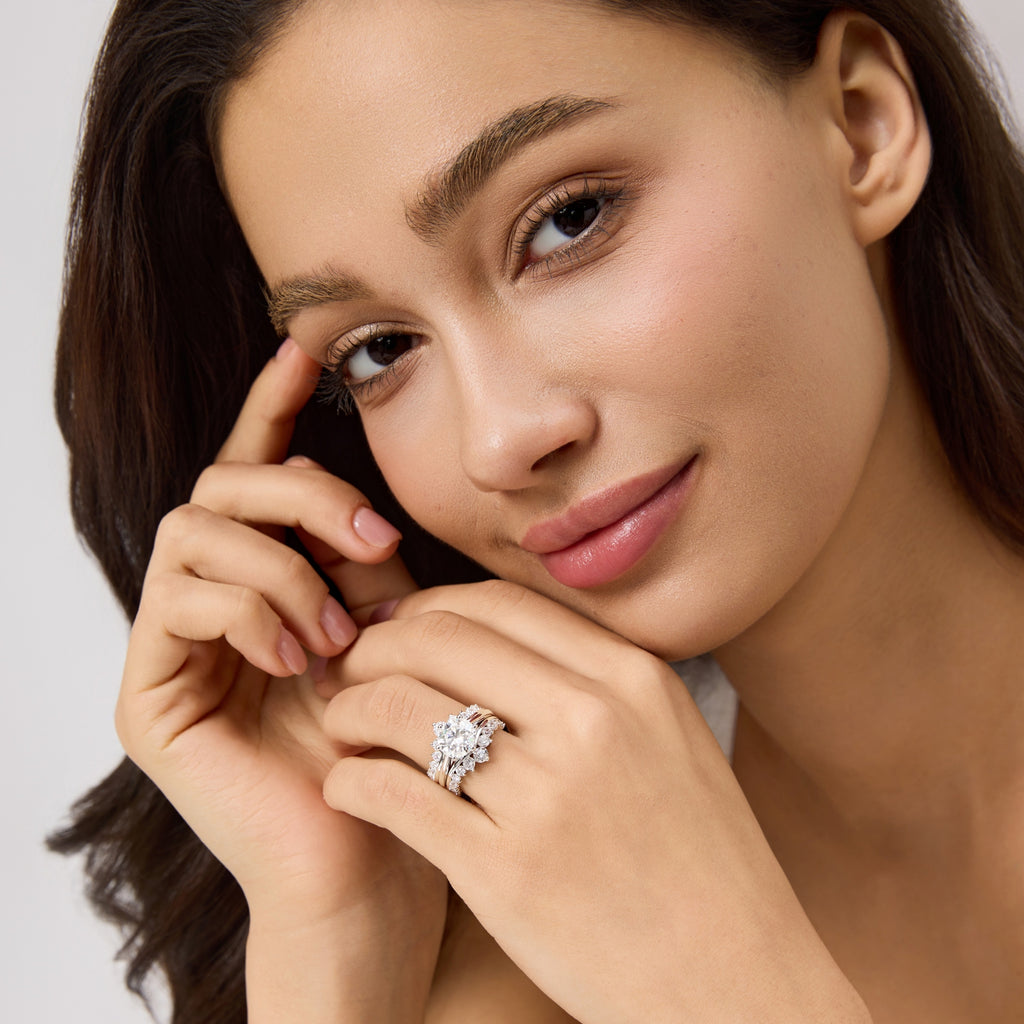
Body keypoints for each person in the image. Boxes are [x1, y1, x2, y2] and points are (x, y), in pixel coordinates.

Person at [49, 0, 1024, 1021]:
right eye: (380, 349)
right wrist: (343, 943)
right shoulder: (532, 933)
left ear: (861, 126)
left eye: (568, 219)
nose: (499, 441)